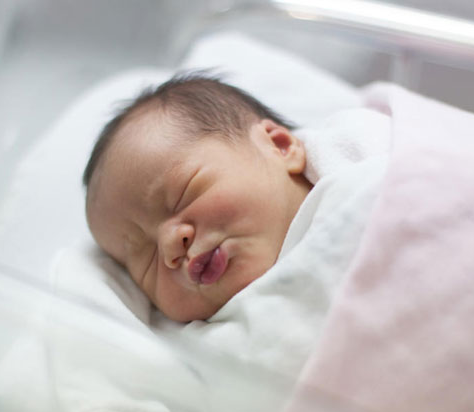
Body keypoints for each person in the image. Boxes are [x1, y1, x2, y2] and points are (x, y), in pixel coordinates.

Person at [83, 73, 313, 322]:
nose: (170, 246)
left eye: (182, 196)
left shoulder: (344, 187)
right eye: (147, 259)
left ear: (278, 145)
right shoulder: (195, 339)